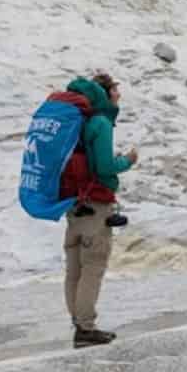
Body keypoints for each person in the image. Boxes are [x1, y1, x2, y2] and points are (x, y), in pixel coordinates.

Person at [51, 73, 138, 348]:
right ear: (105, 93)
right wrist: (127, 161)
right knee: (93, 267)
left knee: (74, 269)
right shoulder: (100, 122)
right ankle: (86, 329)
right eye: (115, 89)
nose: (118, 95)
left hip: (73, 205)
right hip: (95, 205)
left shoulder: (76, 121)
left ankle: (79, 324)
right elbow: (103, 168)